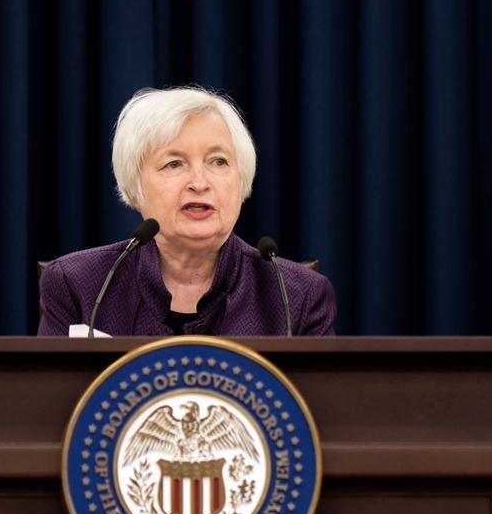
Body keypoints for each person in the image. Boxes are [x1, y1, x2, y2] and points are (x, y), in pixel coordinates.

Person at [38, 86, 336, 336]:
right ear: (135, 185)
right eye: (174, 164)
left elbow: (318, 405)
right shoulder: (77, 284)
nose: (199, 182)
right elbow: (52, 403)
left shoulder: (297, 295)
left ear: (241, 179)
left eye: (218, 161)